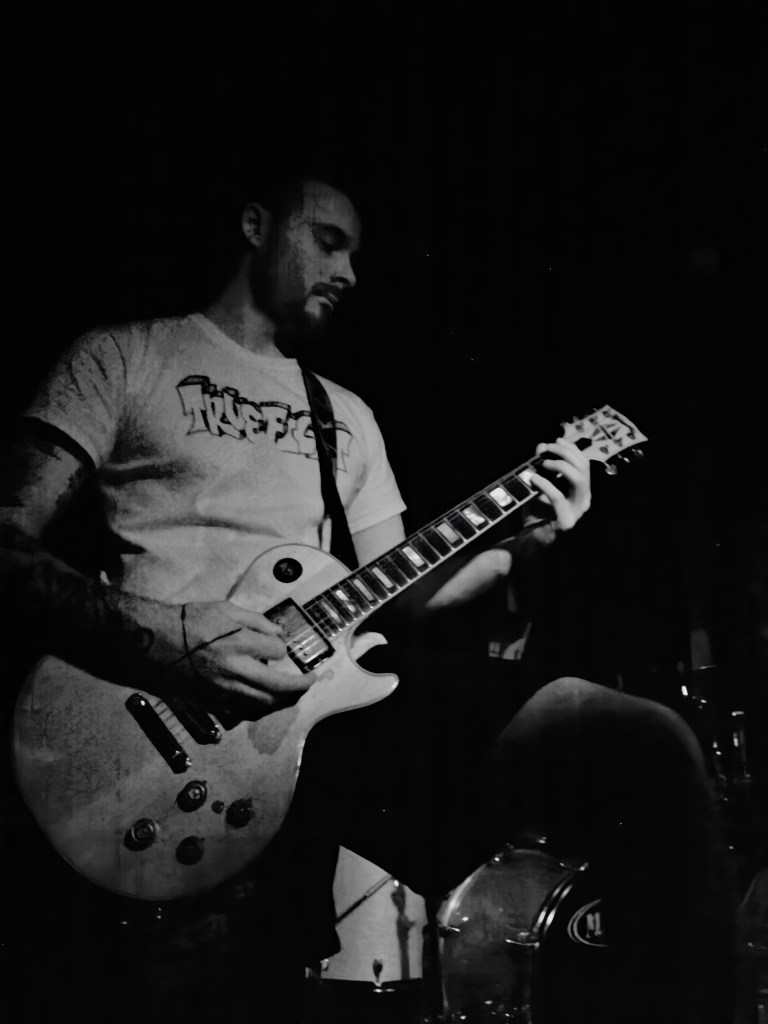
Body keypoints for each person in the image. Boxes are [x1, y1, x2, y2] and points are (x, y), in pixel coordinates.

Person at [0, 169, 733, 1024]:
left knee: (643, 740)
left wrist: (528, 537)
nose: (349, 273)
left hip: (310, 718)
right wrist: (168, 636)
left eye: (356, 254)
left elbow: (401, 594)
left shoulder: (342, 414)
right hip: (144, 720)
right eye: (328, 242)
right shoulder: (126, 356)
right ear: (254, 225)